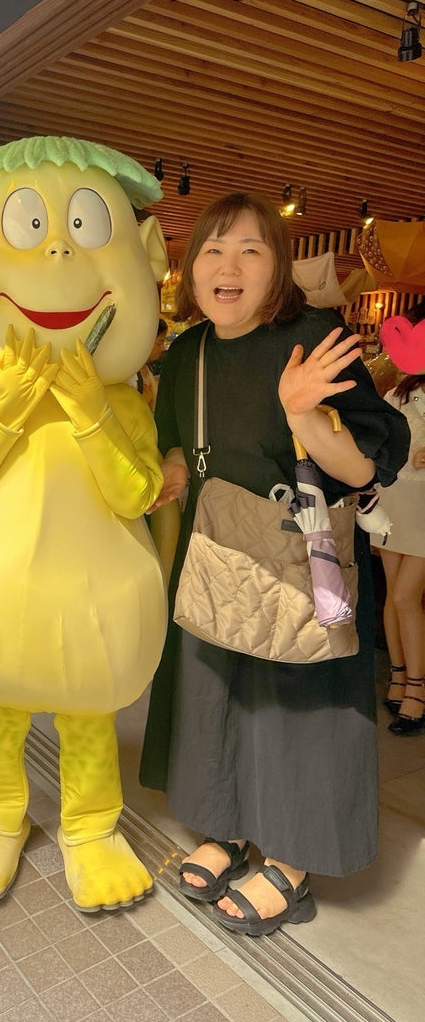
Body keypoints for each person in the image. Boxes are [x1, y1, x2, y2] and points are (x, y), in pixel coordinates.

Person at [139, 192, 410, 936]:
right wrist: (165, 475)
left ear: (277, 267)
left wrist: (300, 413)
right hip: (215, 551)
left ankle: (290, 862)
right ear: (193, 268)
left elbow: (365, 466)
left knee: (296, 709)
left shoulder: (315, 338)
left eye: (250, 250)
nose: (228, 267)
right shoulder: (188, 352)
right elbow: (176, 445)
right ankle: (227, 831)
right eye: (213, 250)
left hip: (298, 555)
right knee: (217, 694)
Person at [370, 300, 425, 734]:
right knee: (394, 595)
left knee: (406, 597)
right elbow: (385, 440)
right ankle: (400, 676)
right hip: (395, 496)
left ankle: (417, 689)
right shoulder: (398, 389)